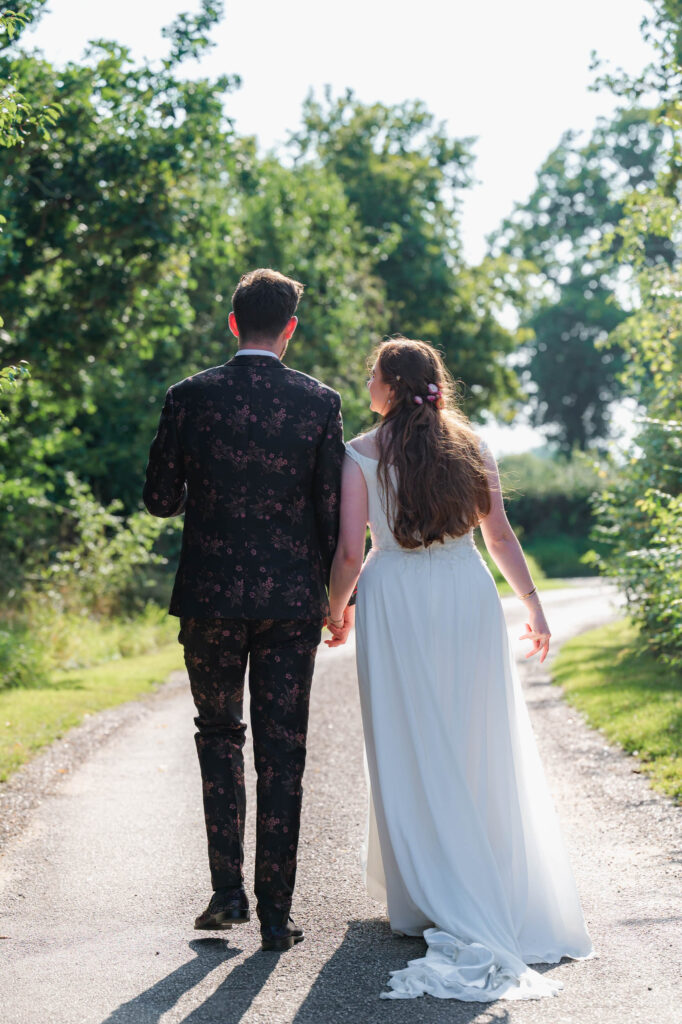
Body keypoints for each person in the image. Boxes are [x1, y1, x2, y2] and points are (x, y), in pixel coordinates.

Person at [325, 337, 594, 1000]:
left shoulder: (358, 453)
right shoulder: (473, 446)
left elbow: (350, 550)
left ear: (387, 384)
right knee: (476, 733)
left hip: (396, 600)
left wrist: (335, 610)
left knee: (406, 735)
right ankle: (480, 871)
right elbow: (498, 534)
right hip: (467, 595)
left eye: (372, 377)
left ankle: (420, 896)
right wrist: (532, 605)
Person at [143, 268, 346, 951]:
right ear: (290, 327)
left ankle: (226, 894)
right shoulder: (320, 404)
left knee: (219, 734)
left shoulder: (188, 397)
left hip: (209, 599)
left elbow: (160, 499)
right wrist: (331, 597)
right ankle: (277, 915)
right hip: (290, 602)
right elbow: (330, 512)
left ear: (234, 322)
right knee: (283, 754)